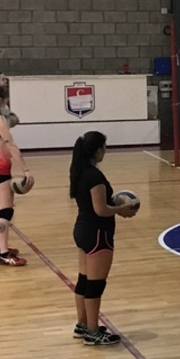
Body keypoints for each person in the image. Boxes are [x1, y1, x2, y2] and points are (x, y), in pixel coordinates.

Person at [69, 131, 136, 345]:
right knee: (95, 285)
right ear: (97, 150)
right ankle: (93, 331)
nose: (105, 151)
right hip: (98, 233)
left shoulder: (79, 172)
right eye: (104, 147)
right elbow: (101, 209)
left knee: (84, 280)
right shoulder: (95, 177)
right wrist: (122, 208)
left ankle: (82, 325)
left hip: (82, 229)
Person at [0, 84, 31, 266]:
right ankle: (3, 253)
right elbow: (10, 145)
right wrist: (25, 169)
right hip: (0, 167)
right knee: (5, 210)